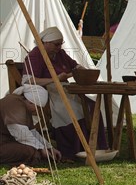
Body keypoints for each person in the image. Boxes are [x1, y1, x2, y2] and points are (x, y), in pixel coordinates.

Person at [22, 26, 107, 158]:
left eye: (61, 44)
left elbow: (74, 65)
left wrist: (82, 70)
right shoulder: (35, 55)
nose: (59, 47)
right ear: (46, 43)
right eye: (56, 44)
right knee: (72, 109)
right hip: (50, 92)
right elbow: (28, 80)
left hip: (67, 90)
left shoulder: (59, 54)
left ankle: (96, 146)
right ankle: (74, 150)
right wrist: (54, 79)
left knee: (92, 106)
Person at [0, 84, 62, 165]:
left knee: (32, 151)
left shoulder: (23, 106)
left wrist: (49, 147)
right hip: (2, 143)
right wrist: (41, 148)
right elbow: (20, 133)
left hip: (5, 142)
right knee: (30, 151)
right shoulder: (12, 102)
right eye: (38, 107)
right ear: (31, 102)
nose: (38, 110)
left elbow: (32, 132)